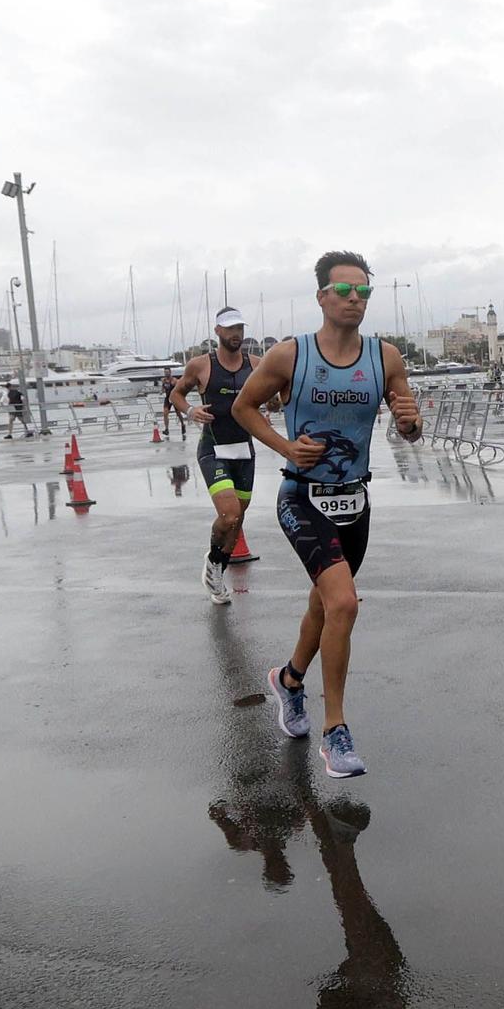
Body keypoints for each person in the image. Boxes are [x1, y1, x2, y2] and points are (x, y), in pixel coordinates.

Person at [235, 251, 422, 779]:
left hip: (354, 502)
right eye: (343, 291)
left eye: (362, 291)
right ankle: (335, 732)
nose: (354, 300)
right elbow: (244, 408)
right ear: (322, 297)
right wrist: (285, 448)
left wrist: (411, 422)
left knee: (325, 606)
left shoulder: (384, 357)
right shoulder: (289, 355)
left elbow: (409, 428)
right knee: (343, 602)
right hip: (301, 497)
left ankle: (289, 681)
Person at [171, 308, 269, 605]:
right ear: (217, 332)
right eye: (229, 329)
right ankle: (213, 565)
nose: (235, 334)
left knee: (237, 521)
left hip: (244, 449)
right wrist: (190, 410)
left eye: (239, 328)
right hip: (213, 448)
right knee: (228, 514)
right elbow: (176, 395)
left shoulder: (257, 364)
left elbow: (276, 397)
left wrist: (273, 406)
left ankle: (218, 568)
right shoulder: (201, 366)